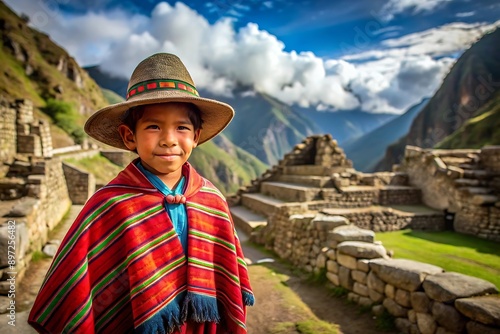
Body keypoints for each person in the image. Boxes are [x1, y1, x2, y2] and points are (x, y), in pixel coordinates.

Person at [28, 53, 254, 334]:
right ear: (129, 136)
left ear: (196, 136)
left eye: (182, 127)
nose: (169, 139)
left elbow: (227, 279)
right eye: (153, 126)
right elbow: (77, 284)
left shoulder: (213, 201)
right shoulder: (109, 205)